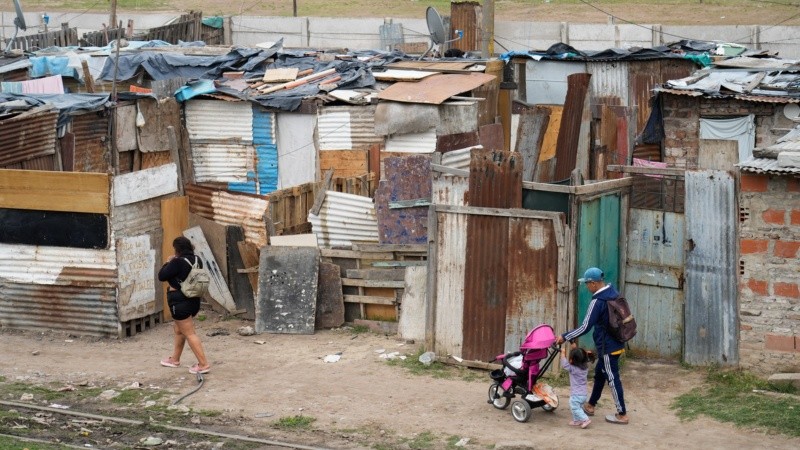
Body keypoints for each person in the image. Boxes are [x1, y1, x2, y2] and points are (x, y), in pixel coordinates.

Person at [555, 267, 629, 425]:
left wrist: (565, 336)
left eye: (587, 284)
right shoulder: (613, 293)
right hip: (614, 343)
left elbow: (585, 327)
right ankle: (590, 405)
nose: (586, 287)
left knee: (612, 378)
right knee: (600, 375)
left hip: (608, 347)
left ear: (594, 284)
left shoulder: (598, 301)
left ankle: (622, 413)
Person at [157, 236, 211, 375]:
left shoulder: (177, 262)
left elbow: (162, 276)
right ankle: (174, 359)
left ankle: (203, 364)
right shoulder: (197, 260)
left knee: (190, 333)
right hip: (194, 300)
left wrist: (168, 262)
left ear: (177, 249)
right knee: (179, 329)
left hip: (180, 301)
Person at [560, 343, 592, 429]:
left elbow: (565, 365)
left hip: (576, 394)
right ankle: (577, 420)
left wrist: (562, 353)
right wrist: (577, 349)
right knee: (578, 407)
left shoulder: (573, 369)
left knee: (574, 407)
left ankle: (585, 419)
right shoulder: (585, 368)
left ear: (572, 360)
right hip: (583, 394)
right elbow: (582, 357)